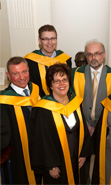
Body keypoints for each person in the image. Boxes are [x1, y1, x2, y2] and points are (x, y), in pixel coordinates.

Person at [29, 63, 93, 184]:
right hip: (57, 163)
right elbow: (42, 140)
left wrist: (84, 154)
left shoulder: (75, 102)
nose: (62, 84)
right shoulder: (43, 109)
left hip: (76, 160)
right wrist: (51, 165)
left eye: (64, 80)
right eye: (56, 81)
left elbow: (83, 129)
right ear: (50, 85)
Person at [0, 56, 40, 184]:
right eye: (15, 73)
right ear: (8, 75)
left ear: (28, 70)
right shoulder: (4, 100)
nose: (22, 77)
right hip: (18, 155)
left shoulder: (36, 90)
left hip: (41, 150)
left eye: (24, 71)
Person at [70, 39, 111, 136]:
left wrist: (100, 126)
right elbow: (70, 102)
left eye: (97, 54)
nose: (93, 57)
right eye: (90, 54)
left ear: (103, 55)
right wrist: (86, 125)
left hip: (105, 128)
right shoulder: (75, 74)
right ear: (86, 57)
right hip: (81, 125)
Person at [24, 24, 72, 98]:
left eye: (53, 38)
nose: (50, 42)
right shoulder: (30, 61)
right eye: (45, 39)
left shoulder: (65, 59)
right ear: (40, 41)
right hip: (40, 103)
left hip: (62, 104)